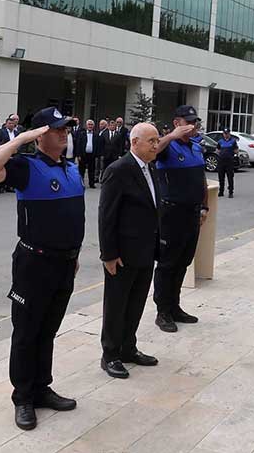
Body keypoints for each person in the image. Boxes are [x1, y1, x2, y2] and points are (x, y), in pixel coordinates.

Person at [0, 107, 84, 431]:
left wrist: (74, 254)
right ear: (39, 135)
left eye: (66, 129)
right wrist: (20, 140)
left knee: (48, 330)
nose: (64, 134)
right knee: (26, 333)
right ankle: (23, 396)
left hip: (64, 263)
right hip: (33, 264)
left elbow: (71, 218)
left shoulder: (71, 168)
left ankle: (41, 387)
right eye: (56, 129)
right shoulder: (26, 166)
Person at [98, 122, 162, 379]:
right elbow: (107, 216)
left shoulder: (150, 168)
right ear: (135, 143)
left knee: (135, 303)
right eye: (152, 141)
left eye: (157, 140)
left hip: (145, 250)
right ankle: (110, 354)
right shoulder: (119, 170)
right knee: (116, 305)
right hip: (123, 254)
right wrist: (109, 254)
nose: (157, 145)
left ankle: (128, 347)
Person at [152, 105, 208, 332]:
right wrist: (171, 136)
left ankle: (174, 306)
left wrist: (205, 207)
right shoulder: (168, 146)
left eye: (195, 122)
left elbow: (201, 179)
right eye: (189, 121)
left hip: (192, 214)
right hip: (171, 214)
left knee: (184, 261)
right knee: (167, 264)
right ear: (177, 123)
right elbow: (153, 151)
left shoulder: (196, 147)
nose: (193, 126)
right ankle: (162, 311)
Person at [73, 119, 102, 189]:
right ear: (86, 126)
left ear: (93, 126)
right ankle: (81, 183)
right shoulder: (81, 134)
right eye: (89, 124)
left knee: (91, 170)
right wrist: (78, 155)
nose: (90, 126)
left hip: (92, 155)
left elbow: (98, 145)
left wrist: (97, 155)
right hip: (83, 155)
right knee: (81, 170)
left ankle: (91, 184)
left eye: (91, 125)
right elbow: (78, 145)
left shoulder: (96, 135)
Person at [216, 128, 238, 198]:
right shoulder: (220, 141)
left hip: (229, 162)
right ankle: (221, 191)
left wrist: (231, 153)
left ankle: (230, 192)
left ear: (229, 133)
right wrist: (221, 153)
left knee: (230, 177)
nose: (226, 135)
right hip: (221, 161)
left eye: (227, 133)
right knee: (221, 177)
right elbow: (217, 150)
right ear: (223, 134)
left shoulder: (233, 141)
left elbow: (236, 150)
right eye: (225, 133)